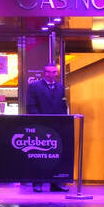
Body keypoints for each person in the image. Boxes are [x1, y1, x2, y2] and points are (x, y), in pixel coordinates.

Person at [26, 63, 69, 192]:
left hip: (57, 126)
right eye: (50, 72)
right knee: (39, 154)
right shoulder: (34, 86)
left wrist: (64, 119)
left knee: (56, 154)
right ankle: (37, 183)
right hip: (41, 125)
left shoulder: (60, 87)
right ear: (45, 73)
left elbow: (63, 104)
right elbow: (31, 105)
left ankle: (56, 183)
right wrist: (40, 119)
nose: (53, 74)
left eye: (55, 72)